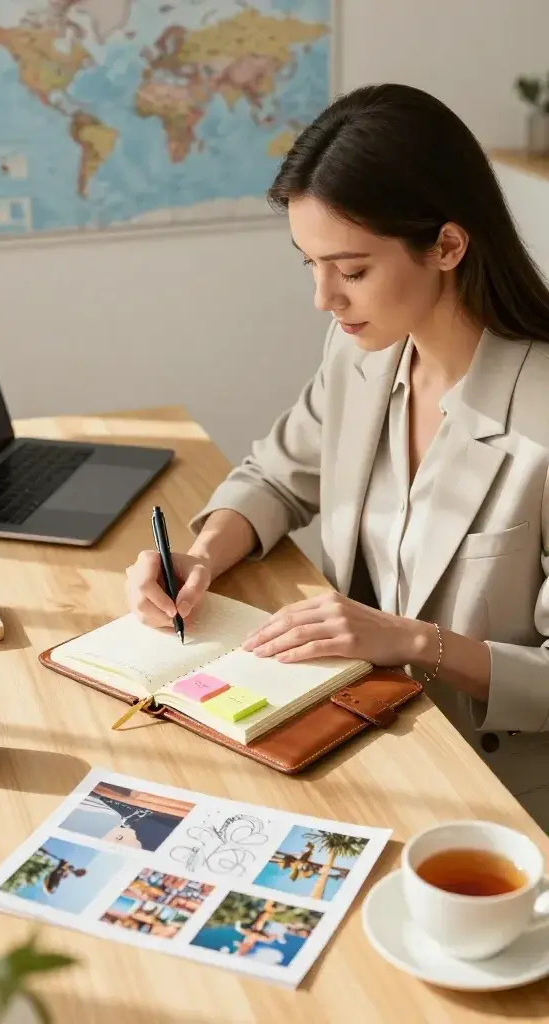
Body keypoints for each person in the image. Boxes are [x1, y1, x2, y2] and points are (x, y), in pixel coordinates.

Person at [126, 83, 549, 830]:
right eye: (309, 265)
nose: (324, 299)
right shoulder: (363, 355)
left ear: (448, 245)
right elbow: (276, 475)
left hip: (494, 795)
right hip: (359, 731)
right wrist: (204, 554)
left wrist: (415, 641)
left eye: (351, 271)